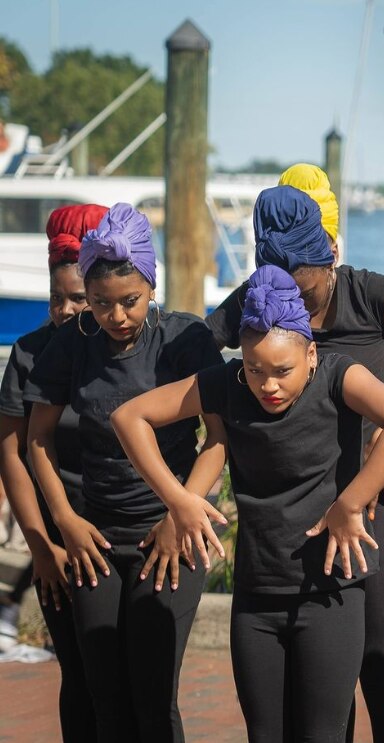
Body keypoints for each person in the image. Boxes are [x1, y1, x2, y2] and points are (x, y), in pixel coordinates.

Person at [111, 264, 384, 742]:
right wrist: (179, 500)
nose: (268, 385)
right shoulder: (227, 383)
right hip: (257, 598)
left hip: (330, 593)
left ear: (312, 354)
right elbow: (129, 417)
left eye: (282, 371)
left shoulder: (340, 375)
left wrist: (351, 503)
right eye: (255, 369)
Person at [207, 178, 384, 742]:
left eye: (306, 293)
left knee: (378, 653)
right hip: (298, 505)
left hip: (368, 491)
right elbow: (195, 360)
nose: (297, 308)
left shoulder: (379, 296)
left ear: (330, 256)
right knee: (320, 684)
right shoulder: (258, 300)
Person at [23, 203, 227, 742]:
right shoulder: (72, 343)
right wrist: (64, 519)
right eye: (100, 304)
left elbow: (218, 439)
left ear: (152, 286)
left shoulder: (186, 340)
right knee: (105, 696)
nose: (116, 317)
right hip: (97, 541)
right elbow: (36, 437)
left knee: (153, 698)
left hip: (170, 538)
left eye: (130, 302)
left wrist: (181, 511)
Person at [0, 204, 107, 737]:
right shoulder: (29, 354)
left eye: (79, 298)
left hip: (123, 534)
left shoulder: (125, 351)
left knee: (132, 683)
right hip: (59, 549)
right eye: (56, 297)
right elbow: (13, 454)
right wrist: (41, 548)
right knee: (82, 678)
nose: (65, 311)